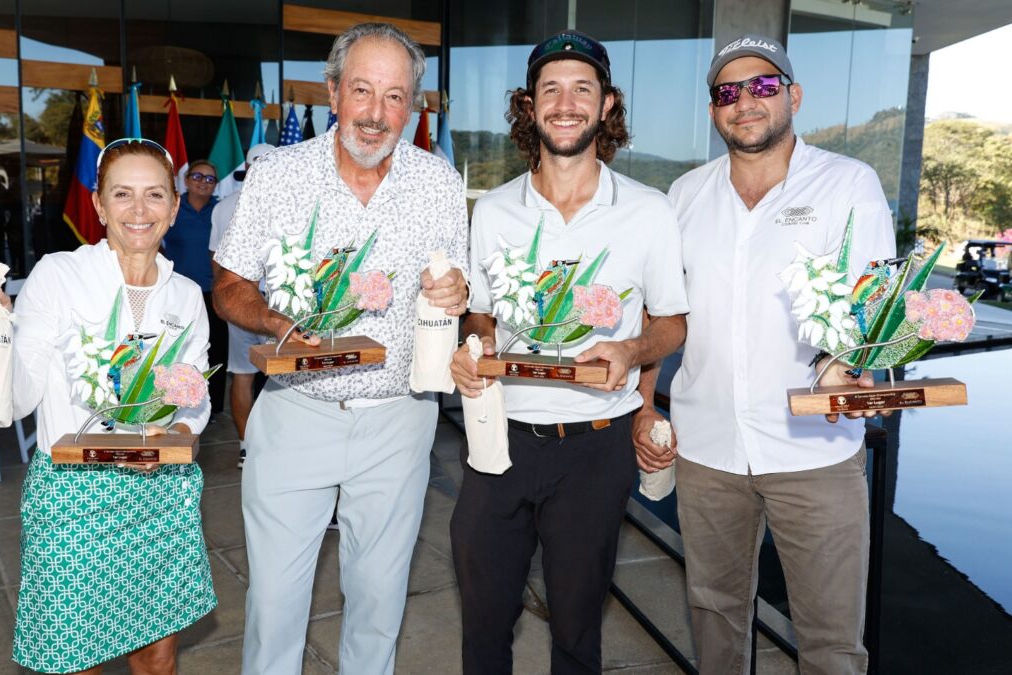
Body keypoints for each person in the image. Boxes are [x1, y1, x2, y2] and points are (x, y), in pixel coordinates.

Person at [212, 23, 469, 674]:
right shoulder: (278, 176)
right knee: (274, 602)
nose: (377, 114)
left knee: (380, 601)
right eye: (362, 90)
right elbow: (229, 284)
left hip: (399, 419)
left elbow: (458, 287)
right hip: (297, 413)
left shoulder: (439, 182)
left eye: (394, 96)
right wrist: (274, 320)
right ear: (333, 91)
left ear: (412, 104)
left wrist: (457, 292)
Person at [638, 33, 896, 674]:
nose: (745, 102)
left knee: (833, 641)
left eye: (762, 86)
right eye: (728, 92)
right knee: (716, 618)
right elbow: (662, 316)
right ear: (713, 111)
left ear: (793, 96)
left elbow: (876, 311)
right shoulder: (684, 195)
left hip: (814, 451)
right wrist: (644, 408)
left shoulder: (848, 184)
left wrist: (861, 369)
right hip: (707, 451)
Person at [449, 31, 689, 674]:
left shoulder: (648, 211)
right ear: (528, 107)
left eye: (582, 88)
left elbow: (672, 324)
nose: (565, 102)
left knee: (579, 632)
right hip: (499, 438)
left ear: (607, 104)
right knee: (483, 623)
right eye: (549, 89)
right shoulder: (496, 210)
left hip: (595, 444)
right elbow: (482, 312)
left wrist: (635, 346)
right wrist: (478, 346)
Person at [0, 138, 216, 674]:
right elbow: (21, 395)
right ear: (98, 205)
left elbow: (195, 394)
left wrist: (183, 433)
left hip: (157, 493)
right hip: (75, 496)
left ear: (172, 204)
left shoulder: (187, 294)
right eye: (122, 194)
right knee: (77, 659)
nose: (138, 211)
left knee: (158, 657)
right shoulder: (59, 275)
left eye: (153, 195)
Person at [209, 142, 274, 468]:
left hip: (259, 302)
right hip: (262, 304)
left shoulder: (224, 206)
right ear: (247, 169)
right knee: (260, 375)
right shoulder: (290, 204)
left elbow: (216, 263)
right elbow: (217, 264)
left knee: (248, 375)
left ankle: (248, 448)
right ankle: (253, 447)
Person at [165, 158, 227, 414]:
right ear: (187, 180)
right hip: (178, 295)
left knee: (217, 352)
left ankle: (211, 409)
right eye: (198, 176)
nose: (203, 182)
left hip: (215, 293)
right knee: (179, 351)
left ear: (216, 185)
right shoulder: (173, 209)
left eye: (210, 178)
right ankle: (175, 404)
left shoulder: (222, 210)